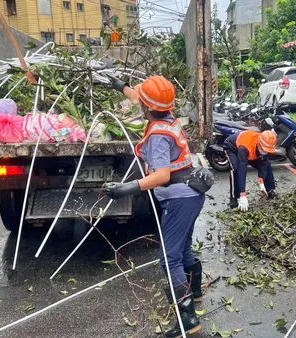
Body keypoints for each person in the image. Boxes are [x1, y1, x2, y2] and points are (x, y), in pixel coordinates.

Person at [102, 74, 209, 338]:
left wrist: (126, 189)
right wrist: (123, 88)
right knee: (182, 248)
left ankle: (187, 321)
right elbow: (142, 98)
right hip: (192, 193)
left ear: (148, 109)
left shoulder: (159, 136)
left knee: (168, 258)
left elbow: (161, 175)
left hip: (179, 198)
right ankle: (193, 292)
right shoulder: (167, 117)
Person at [225, 129, 280, 211]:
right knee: (235, 169)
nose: (265, 152)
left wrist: (261, 180)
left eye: (267, 150)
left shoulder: (265, 143)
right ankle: (234, 198)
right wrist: (242, 194)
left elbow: (264, 162)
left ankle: (270, 190)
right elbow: (242, 170)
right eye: (264, 149)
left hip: (251, 151)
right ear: (259, 143)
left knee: (267, 164)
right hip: (233, 148)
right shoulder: (244, 148)